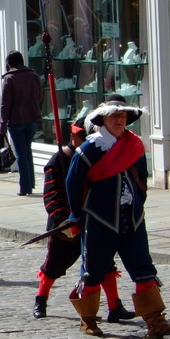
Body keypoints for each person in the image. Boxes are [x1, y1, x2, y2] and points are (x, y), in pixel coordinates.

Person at [66, 95, 170, 339]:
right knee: (93, 272)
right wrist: (78, 215)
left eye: (122, 116)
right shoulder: (88, 150)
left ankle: (156, 322)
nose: (119, 120)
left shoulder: (134, 145)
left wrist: (137, 203)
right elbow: (73, 184)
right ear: (104, 120)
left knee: (144, 269)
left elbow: (142, 181)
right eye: (114, 116)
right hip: (100, 220)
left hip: (132, 219)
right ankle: (88, 320)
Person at [32, 117, 134, 323]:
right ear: (73, 136)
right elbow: (52, 195)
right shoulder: (58, 161)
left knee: (105, 264)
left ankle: (114, 306)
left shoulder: (96, 156)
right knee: (54, 265)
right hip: (66, 226)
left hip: (94, 222)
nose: (87, 140)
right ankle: (40, 301)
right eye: (83, 136)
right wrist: (62, 221)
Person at [0, 50, 42, 196]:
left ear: (9, 63)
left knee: (21, 153)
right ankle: (30, 182)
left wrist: (3, 123)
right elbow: (39, 96)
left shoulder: (9, 78)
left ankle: (25, 187)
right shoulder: (33, 76)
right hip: (32, 118)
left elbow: (5, 104)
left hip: (16, 120)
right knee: (27, 150)